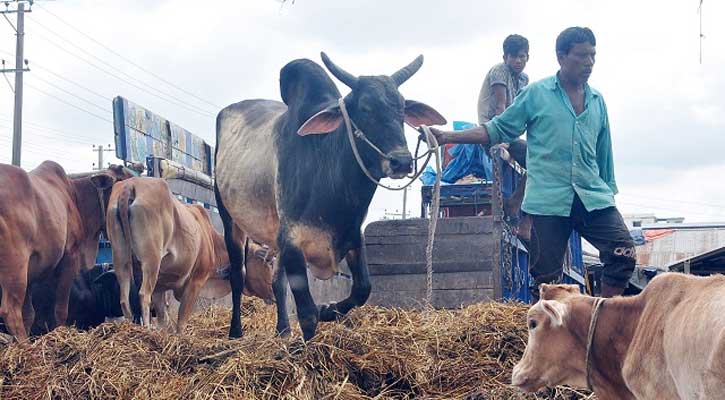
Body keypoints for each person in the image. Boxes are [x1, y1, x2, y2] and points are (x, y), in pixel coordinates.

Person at [426, 27, 635, 299]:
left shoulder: (597, 100)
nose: (589, 63)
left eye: (592, 56)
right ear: (561, 57)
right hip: (548, 202)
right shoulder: (537, 94)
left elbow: (604, 152)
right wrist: (447, 137)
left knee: (623, 253)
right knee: (547, 283)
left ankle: (604, 320)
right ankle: (546, 337)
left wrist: (608, 193)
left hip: (592, 197)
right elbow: (497, 129)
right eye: (581, 56)